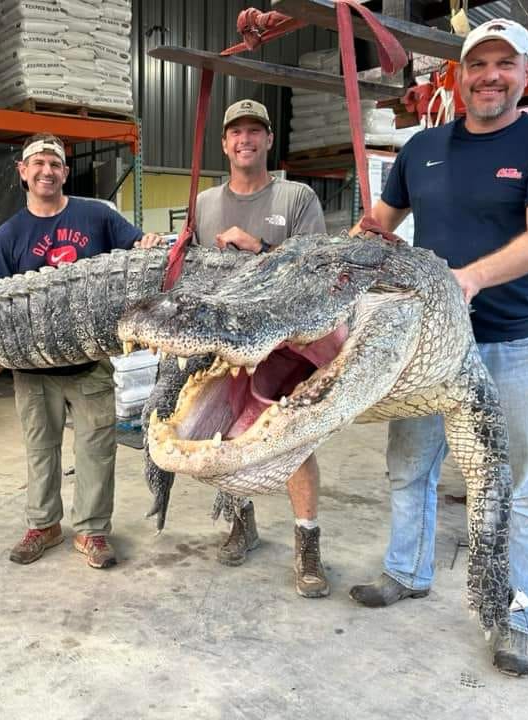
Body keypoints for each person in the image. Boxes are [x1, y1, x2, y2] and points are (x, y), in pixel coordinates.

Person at [349, 19, 528, 676]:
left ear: (526, 72)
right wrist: (351, 249)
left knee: (516, 483)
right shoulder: (423, 147)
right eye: (476, 64)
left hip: (510, 340)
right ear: (458, 74)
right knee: (409, 464)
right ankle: (407, 571)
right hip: (427, 343)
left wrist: (472, 277)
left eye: (503, 64)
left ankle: (520, 617)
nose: (488, 76)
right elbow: (379, 225)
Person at [0, 133, 162, 570]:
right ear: (22, 171)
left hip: (89, 362)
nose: (46, 171)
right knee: (41, 449)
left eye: (54, 164)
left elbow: (137, 248)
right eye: (37, 163)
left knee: (96, 449)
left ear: (65, 171)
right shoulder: (8, 235)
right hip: (33, 370)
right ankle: (44, 524)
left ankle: (92, 530)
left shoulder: (97, 216)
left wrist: (148, 244)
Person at [194, 99, 330, 598]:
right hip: (228, 343)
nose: (245, 139)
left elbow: (318, 272)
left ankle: (307, 544)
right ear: (225, 143)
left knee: (294, 443)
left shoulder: (296, 198)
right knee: (226, 435)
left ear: (269, 140)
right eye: (236, 132)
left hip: (286, 346)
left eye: (255, 131)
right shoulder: (206, 203)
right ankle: (241, 522)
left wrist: (262, 250)